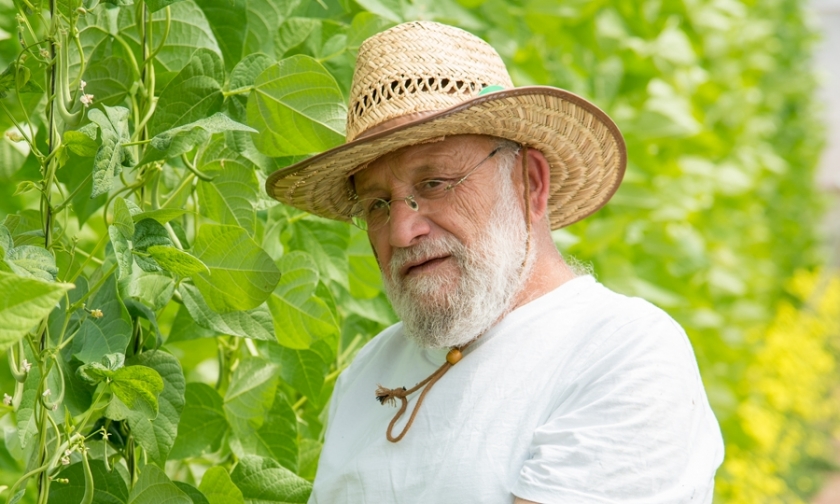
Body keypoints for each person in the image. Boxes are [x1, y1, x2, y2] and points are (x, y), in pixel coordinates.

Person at [265, 20, 723, 504]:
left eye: (435, 183)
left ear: (529, 182)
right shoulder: (367, 372)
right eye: (377, 204)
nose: (402, 231)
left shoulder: (622, 353)